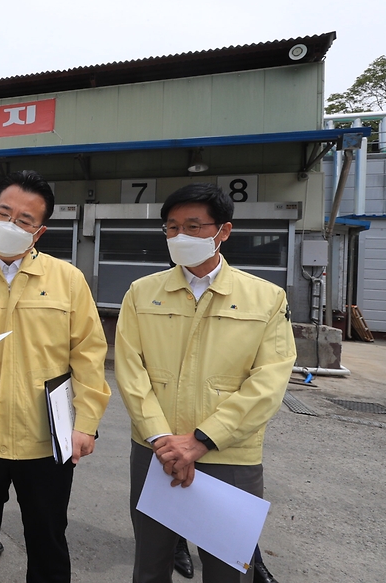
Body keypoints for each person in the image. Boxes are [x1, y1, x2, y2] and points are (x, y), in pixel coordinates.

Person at [115, 182, 296, 583]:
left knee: (227, 570)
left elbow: (268, 382)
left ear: (223, 232)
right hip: (155, 452)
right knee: (150, 564)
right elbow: (130, 371)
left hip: (230, 456)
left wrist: (202, 438)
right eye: (172, 227)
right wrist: (160, 437)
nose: (181, 236)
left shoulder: (266, 298)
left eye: (194, 227)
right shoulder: (141, 293)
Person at [0, 170, 111, 583]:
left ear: (40, 231)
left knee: (48, 539)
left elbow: (88, 354)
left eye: (24, 220)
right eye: (4, 212)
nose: (11, 225)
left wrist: (87, 424)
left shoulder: (67, 280)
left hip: (48, 439)